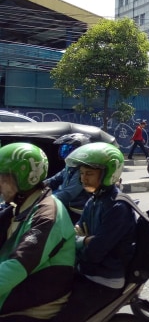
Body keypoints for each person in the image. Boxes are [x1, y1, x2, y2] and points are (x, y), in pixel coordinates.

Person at [53, 142, 136, 322]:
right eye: (82, 173)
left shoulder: (118, 206)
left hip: (104, 278)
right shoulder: (93, 200)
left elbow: (94, 253)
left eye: (89, 174)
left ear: (107, 174)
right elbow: (73, 236)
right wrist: (84, 240)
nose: (83, 179)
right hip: (86, 271)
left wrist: (83, 241)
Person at [0, 143, 76, 321]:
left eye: (3, 178)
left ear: (23, 178)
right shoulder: (20, 204)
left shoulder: (46, 214)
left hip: (39, 297)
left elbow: (20, 263)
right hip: (19, 283)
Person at [43, 133, 91, 224]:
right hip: (67, 206)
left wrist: (45, 200)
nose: (65, 153)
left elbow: (68, 193)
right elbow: (54, 180)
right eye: (63, 149)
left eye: (69, 150)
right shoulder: (69, 166)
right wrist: (36, 186)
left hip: (78, 211)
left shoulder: (83, 171)